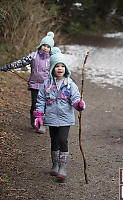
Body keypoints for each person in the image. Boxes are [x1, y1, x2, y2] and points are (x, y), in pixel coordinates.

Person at [33, 49, 85, 182]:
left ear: (65, 68)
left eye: (62, 66)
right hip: (51, 118)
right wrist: (38, 115)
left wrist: (78, 104)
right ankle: (55, 164)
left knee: (63, 140)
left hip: (65, 118)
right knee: (54, 141)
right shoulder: (47, 84)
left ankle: (63, 166)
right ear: (52, 68)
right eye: (57, 66)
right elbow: (41, 100)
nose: (60, 68)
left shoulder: (70, 84)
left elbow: (75, 98)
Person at [1, 32, 54, 133]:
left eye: (48, 46)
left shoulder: (52, 59)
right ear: (40, 45)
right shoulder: (33, 56)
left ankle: (41, 123)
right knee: (35, 104)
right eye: (44, 45)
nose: (45, 48)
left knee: (45, 105)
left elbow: (57, 69)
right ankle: (34, 121)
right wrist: (9, 66)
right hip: (34, 85)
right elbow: (21, 62)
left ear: (51, 48)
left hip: (47, 86)